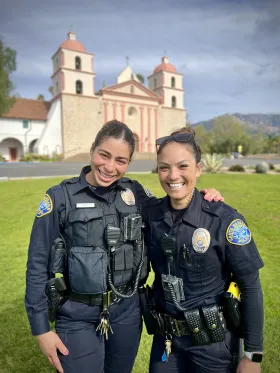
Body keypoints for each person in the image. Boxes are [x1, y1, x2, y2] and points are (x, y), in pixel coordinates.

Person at [25, 120, 223, 373]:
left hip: (127, 311)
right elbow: (37, 265)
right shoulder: (60, 197)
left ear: (128, 163)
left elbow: (172, 207)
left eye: (121, 160)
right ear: (92, 150)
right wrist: (40, 328)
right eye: (104, 155)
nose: (109, 167)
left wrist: (201, 196)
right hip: (77, 314)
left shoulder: (134, 193)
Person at [143, 127, 264, 373]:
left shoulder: (224, 220)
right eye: (164, 167)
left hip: (213, 347)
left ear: (199, 168)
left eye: (183, 166)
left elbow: (250, 286)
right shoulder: (150, 215)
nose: (172, 175)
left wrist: (253, 355)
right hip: (167, 344)